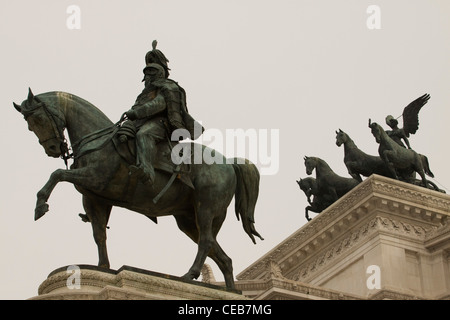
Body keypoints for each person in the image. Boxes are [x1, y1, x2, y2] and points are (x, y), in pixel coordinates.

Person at [124, 42, 204, 185]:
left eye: (149, 75)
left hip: (162, 124)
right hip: (142, 122)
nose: (146, 79)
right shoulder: (145, 93)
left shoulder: (167, 87)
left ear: (157, 74)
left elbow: (158, 105)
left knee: (144, 135)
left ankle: (146, 171)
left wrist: (136, 113)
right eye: (145, 75)